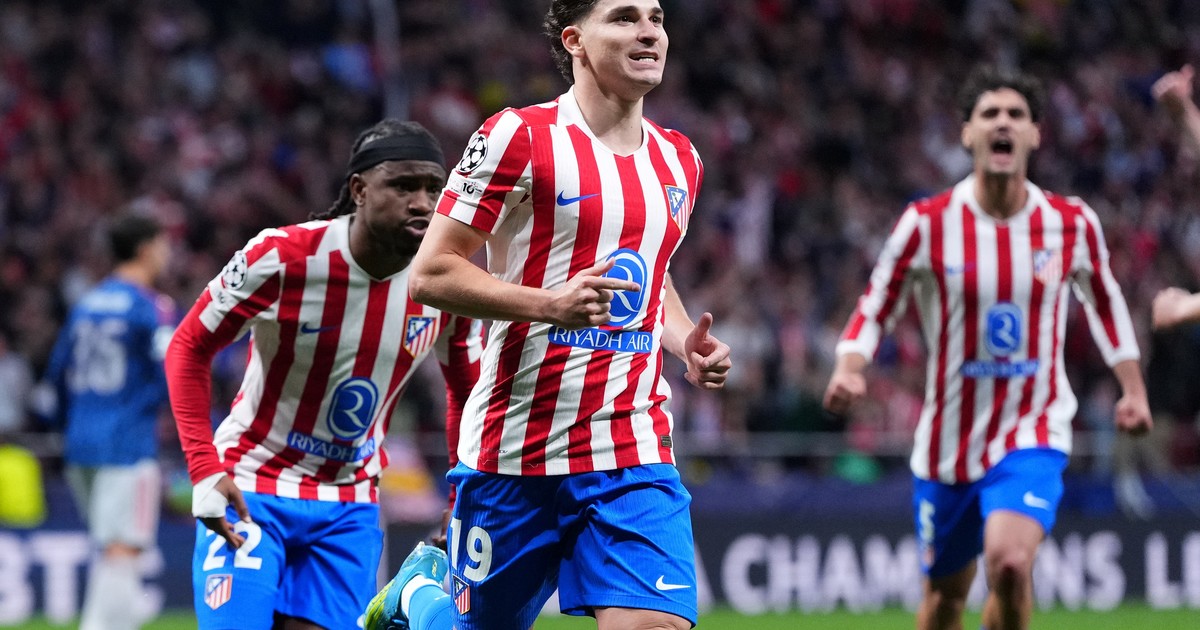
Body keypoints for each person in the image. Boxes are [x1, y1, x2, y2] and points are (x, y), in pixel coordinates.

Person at [368, 2, 732, 629]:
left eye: (656, 17)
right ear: (575, 41)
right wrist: (549, 304)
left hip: (631, 446)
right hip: (517, 448)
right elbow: (431, 272)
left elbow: (651, 266)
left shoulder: (680, 159)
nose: (649, 32)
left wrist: (681, 342)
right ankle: (419, 594)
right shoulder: (519, 136)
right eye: (624, 18)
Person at [823, 64, 1152, 630]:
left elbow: (1107, 304)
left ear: (1035, 134)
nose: (1003, 123)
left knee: (1010, 563)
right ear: (967, 133)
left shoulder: (1071, 223)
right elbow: (875, 304)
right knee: (944, 600)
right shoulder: (926, 223)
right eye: (990, 113)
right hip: (949, 441)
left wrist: (1133, 389)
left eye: (1016, 114)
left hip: (1034, 427)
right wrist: (849, 367)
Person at [165, 119, 482, 630]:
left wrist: (461, 499)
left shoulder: (447, 285)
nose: (422, 203)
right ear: (359, 190)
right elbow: (188, 345)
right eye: (403, 186)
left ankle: (404, 595)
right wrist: (204, 468)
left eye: (433, 189)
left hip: (349, 502)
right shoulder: (282, 257)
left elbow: (468, 394)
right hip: (253, 484)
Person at [42, 214, 177, 630]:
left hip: (80, 443)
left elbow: (55, 377)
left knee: (112, 548)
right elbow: (171, 372)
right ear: (145, 249)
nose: (168, 253)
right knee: (124, 546)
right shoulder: (151, 306)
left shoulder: (87, 304)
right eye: (163, 244)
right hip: (127, 442)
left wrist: (68, 426)